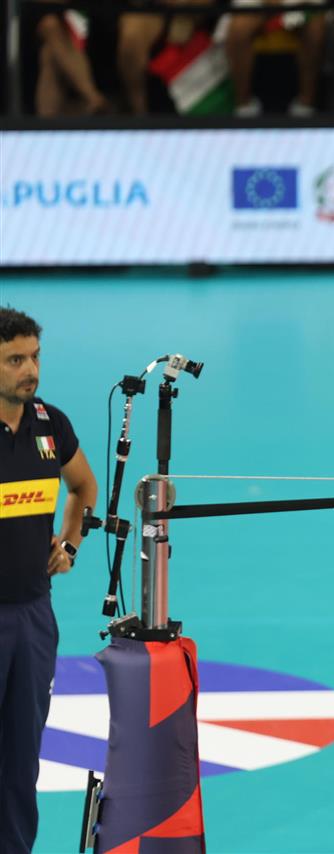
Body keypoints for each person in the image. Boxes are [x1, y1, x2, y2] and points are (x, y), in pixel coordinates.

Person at [0, 307, 97, 853]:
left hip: (35, 618)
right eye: (15, 360)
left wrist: (70, 544)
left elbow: (83, 486)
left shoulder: (49, 423)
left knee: (21, 761)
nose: (30, 370)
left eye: (34, 357)